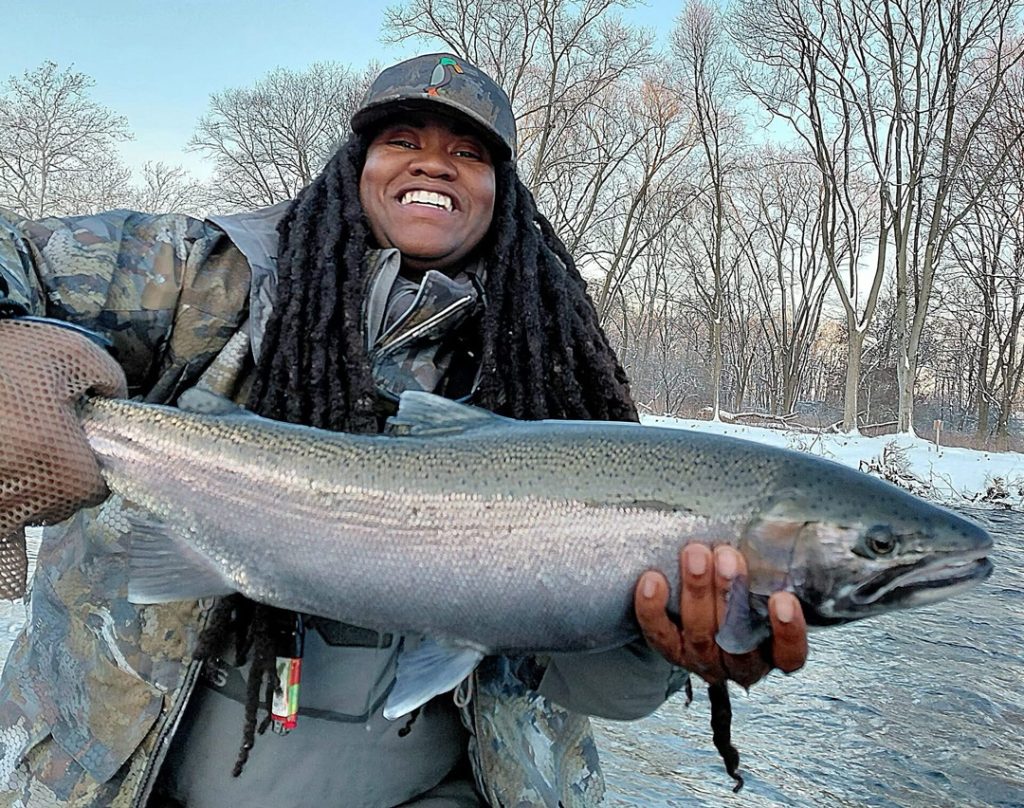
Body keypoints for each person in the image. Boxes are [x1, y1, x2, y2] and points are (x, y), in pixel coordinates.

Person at [0, 53, 807, 807]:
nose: (433, 162)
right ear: (355, 167)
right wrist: (7, 343)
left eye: (470, 150)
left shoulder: (551, 369)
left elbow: (606, 695)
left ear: (502, 192)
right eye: (401, 139)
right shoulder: (202, 271)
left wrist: (654, 649)